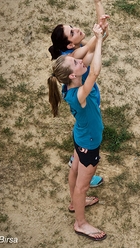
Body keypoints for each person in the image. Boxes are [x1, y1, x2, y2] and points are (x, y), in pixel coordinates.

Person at [48, 22, 107, 241]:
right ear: (72, 75)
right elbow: (96, 70)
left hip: (79, 136)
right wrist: (98, 40)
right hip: (89, 142)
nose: (78, 60)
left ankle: (74, 203)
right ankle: (80, 223)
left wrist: (99, 35)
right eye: (75, 61)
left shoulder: (68, 86)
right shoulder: (80, 93)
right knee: (83, 185)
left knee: (75, 169)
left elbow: (88, 59)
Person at [49, 0, 108, 188]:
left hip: (79, 101)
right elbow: (98, 40)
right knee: (86, 131)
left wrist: (98, 4)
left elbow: (100, 35)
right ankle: (83, 169)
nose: (76, 29)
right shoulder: (74, 58)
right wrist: (97, 4)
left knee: (81, 128)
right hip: (82, 98)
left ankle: (77, 160)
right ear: (70, 45)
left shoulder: (72, 54)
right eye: (72, 32)